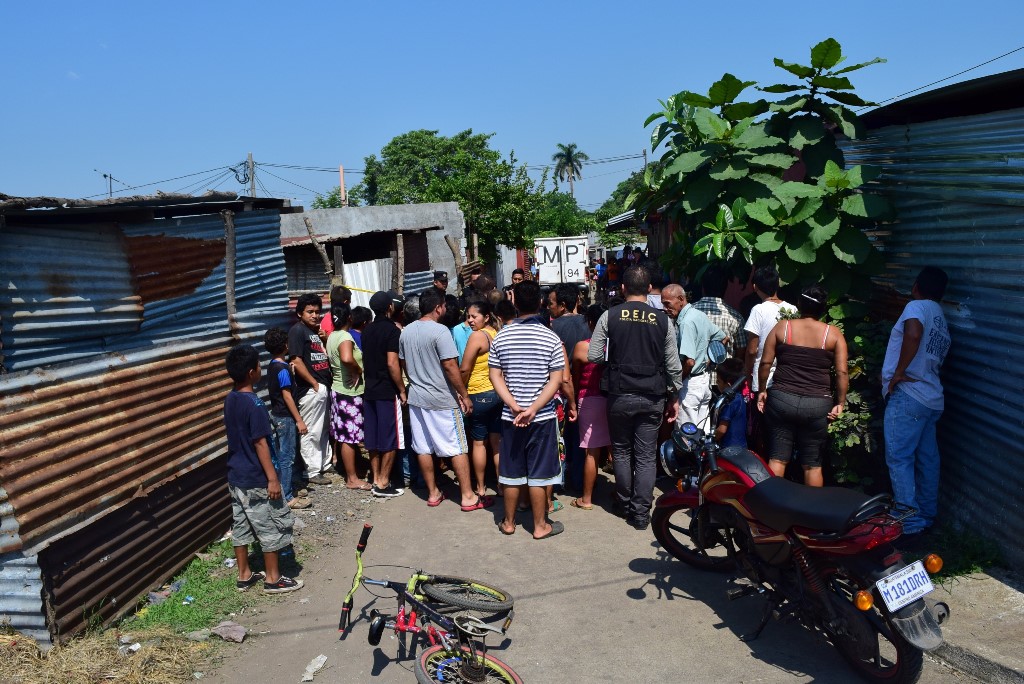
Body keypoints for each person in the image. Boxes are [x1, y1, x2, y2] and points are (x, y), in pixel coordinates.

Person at [588, 265, 682, 531]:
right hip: (653, 395)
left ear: (623, 288)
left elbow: (594, 355)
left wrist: (618, 358)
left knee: (621, 450)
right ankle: (641, 513)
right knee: (645, 454)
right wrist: (674, 394)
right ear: (650, 288)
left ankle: (624, 502)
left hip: (619, 393)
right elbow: (673, 365)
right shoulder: (664, 320)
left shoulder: (610, 316)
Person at [400, 287, 492, 511]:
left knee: (423, 447)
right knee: (457, 447)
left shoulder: (406, 332)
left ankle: (433, 493)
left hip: (417, 397)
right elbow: (451, 366)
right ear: (437, 308)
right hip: (442, 398)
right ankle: (468, 496)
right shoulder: (440, 332)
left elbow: (403, 363)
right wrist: (464, 394)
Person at [223, 344, 303, 595]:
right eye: (258, 365)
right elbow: (260, 443)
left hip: (236, 476)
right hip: (256, 477)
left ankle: (244, 574)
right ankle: (273, 578)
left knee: (241, 525)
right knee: (270, 526)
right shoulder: (254, 404)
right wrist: (273, 479)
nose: (260, 368)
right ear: (251, 372)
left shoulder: (230, 398)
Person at [489, 279, 566, 540]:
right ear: (541, 303)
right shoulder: (550, 337)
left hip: (511, 416)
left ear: (514, 303)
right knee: (540, 474)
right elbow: (556, 379)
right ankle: (540, 526)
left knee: (511, 472)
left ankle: (508, 522)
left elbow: (495, 376)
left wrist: (513, 405)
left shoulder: (502, 335)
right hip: (541, 417)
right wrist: (533, 408)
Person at [882, 267, 951, 540]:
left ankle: (909, 523)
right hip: (932, 398)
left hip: (910, 396)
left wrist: (898, 372)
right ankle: (925, 517)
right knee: (927, 459)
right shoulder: (941, 317)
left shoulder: (916, 306)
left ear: (916, 286)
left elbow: (912, 334)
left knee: (899, 458)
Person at [755, 284, 848, 487]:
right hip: (817, 405)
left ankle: (772, 511)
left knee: (778, 458)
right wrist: (840, 402)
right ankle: (811, 514)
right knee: (812, 465)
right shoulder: (833, 334)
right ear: (823, 309)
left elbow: (765, 362)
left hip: (781, 400)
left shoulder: (783, 327)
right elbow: (841, 372)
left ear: (799, 304)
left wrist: (762, 390)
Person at [743, 266, 797, 450]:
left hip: (762, 377)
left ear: (755, 286)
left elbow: (752, 349)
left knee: (763, 429)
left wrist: (746, 373)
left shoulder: (758, 310)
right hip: (789, 376)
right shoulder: (792, 309)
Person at [361, 291, 408, 498]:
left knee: (373, 436)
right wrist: (402, 389)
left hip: (369, 390)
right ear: (390, 307)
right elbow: (392, 363)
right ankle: (383, 482)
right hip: (387, 390)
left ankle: (376, 477)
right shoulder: (392, 331)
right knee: (391, 437)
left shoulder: (366, 331)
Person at [662, 283, 725, 429]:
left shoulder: (686, 322)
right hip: (703, 382)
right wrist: (708, 360)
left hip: (690, 386)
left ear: (680, 299)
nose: (665, 309)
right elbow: (723, 337)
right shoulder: (699, 315)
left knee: (686, 437)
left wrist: (675, 386)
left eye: (667, 304)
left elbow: (689, 362)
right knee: (701, 434)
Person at [326, 303, 374, 492]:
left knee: (344, 435)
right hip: (349, 392)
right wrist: (357, 369)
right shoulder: (345, 337)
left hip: (339, 389)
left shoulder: (332, 336)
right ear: (349, 319)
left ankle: (351, 472)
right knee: (349, 437)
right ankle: (352, 478)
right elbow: (346, 358)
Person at [547, 283, 590, 494]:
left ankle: (558, 482)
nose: (548, 307)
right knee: (580, 440)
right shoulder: (587, 324)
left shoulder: (551, 328)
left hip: (559, 392)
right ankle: (578, 482)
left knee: (559, 439)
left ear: (563, 305)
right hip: (584, 389)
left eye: (551, 304)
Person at [263, 328, 311, 510]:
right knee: (287, 456)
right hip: (286, 417)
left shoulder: (274, 365)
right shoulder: (282, 369)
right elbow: (287, 395)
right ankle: (287, 495)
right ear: (285, 345)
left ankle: (286, 488)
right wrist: (299, 420)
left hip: (276, 414)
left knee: (282, 454)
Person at [288, 293, 333, 486]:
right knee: (311, 430)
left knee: (323, 428)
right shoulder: (297, 331)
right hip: (310, 389)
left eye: (317, 311)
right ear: (300, 313)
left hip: (322, 387)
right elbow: (296, 361)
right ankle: (312, 471)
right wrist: (314, 385)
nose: (315, 315)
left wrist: (323, 339)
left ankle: (324, 462)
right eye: (310, 312)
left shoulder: (314, 331)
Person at [459, 301, 503, 498]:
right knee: (497, 442)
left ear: (486, 317)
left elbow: (465, 368)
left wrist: (462, 391)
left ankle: (481, 486)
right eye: (468, 316)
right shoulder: (496, 332)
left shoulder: (477, 336)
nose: (470, 320)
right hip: (497, 393)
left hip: (479, 393)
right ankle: (502, 486)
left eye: (474, 316)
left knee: (478, 443)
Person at [570, 304, 610, 510]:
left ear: (591, 323)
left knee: (591, 453)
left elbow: (574, 377)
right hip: (613, 400)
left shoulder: (582, 346)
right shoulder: (617, 346)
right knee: (618, 450)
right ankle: (620, 497)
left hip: (589, 399)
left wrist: (573, 401)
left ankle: (586, 499)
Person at [694, 265, 747, 385]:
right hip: (723, 382)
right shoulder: (735, 317)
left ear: (703, 287)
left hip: (693, 380)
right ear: (725, 288)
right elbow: (741, 351)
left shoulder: (689, 313)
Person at [714, 358, 748, 448]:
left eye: (718, 381)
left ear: (728, 385)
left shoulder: (729, 402)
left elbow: (722, 430)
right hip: (742, 447)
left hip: (729, 450)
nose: (716, 383)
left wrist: (710, 439)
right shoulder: (740, 398)